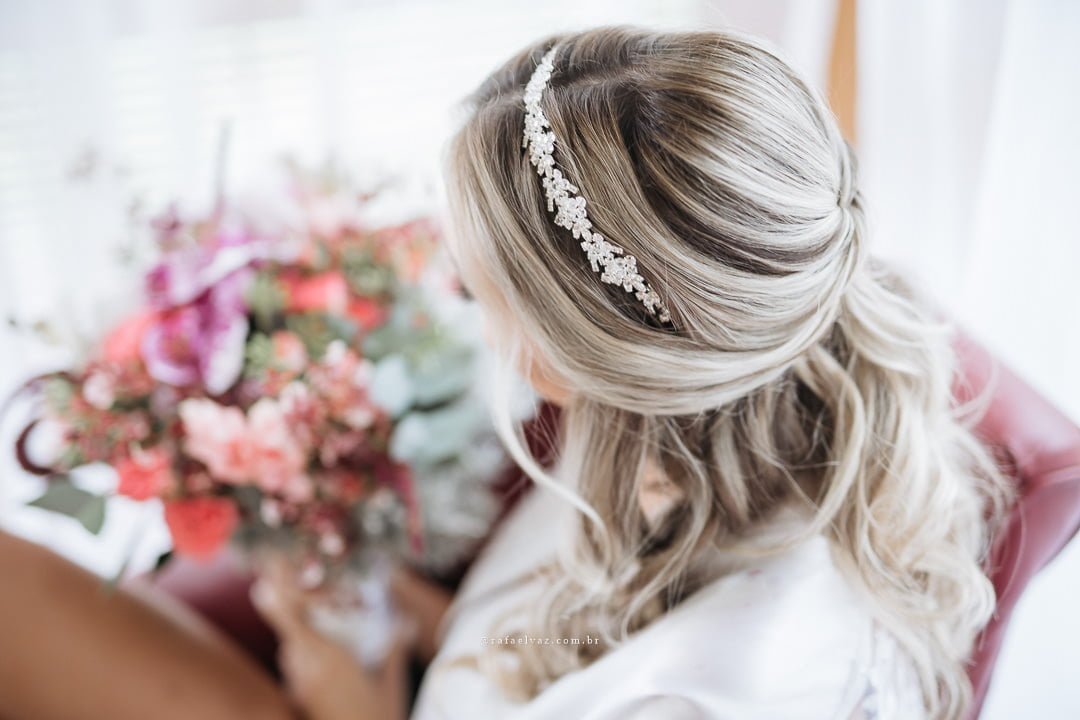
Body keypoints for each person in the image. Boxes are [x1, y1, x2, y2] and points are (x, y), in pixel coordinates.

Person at [0, 27, 1008, 720]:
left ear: (575, 348)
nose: (451, 285)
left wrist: (355, 703)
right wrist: (383, 607)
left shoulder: (705, 692)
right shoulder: (700, 431)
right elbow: (578, 642)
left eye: (479, 289)